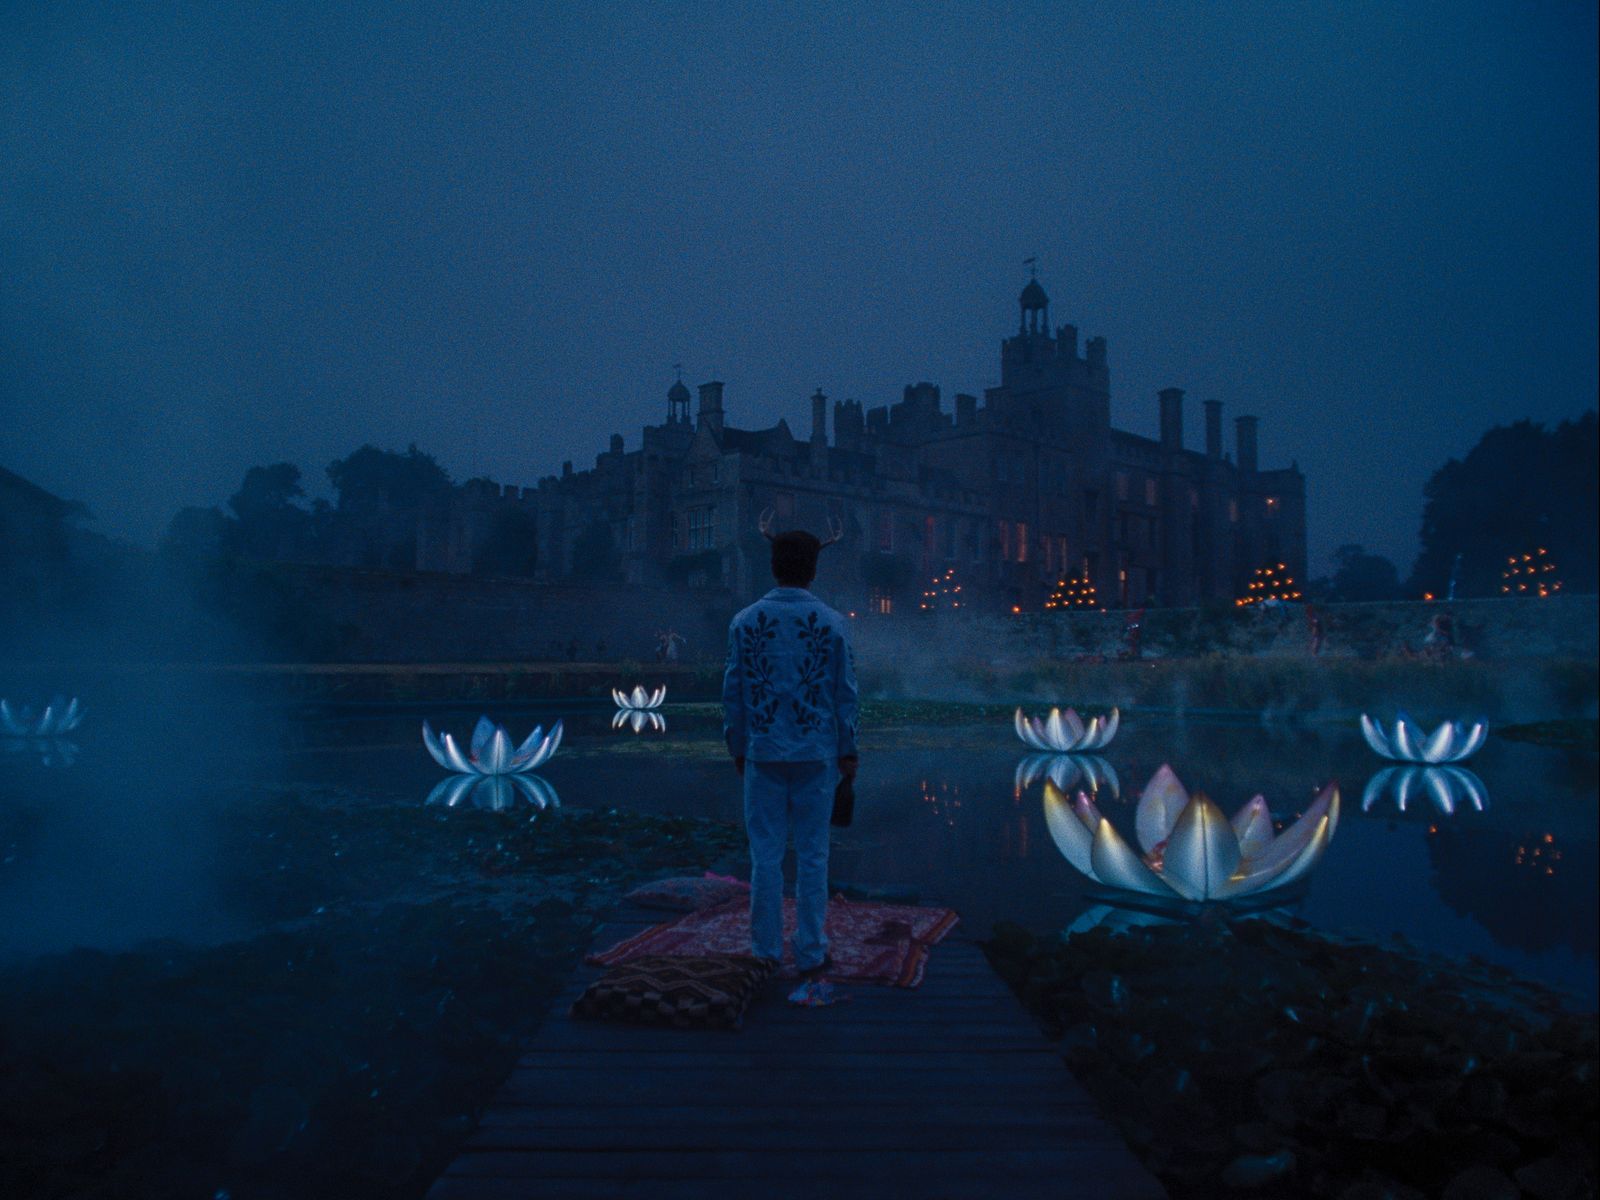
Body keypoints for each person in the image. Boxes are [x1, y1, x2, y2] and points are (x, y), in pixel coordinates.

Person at [722, 514, 858, 975]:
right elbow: (845, 692)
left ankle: (765, 952)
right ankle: (812, 951)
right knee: (814, 856)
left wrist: (737, 745)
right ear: (813, 569)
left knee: (765, 858)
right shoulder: (833, 623)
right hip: (817, 755)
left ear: (773, 564)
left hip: (761, 752)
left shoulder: (744, 621)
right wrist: (849, 750)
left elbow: (734, 691)